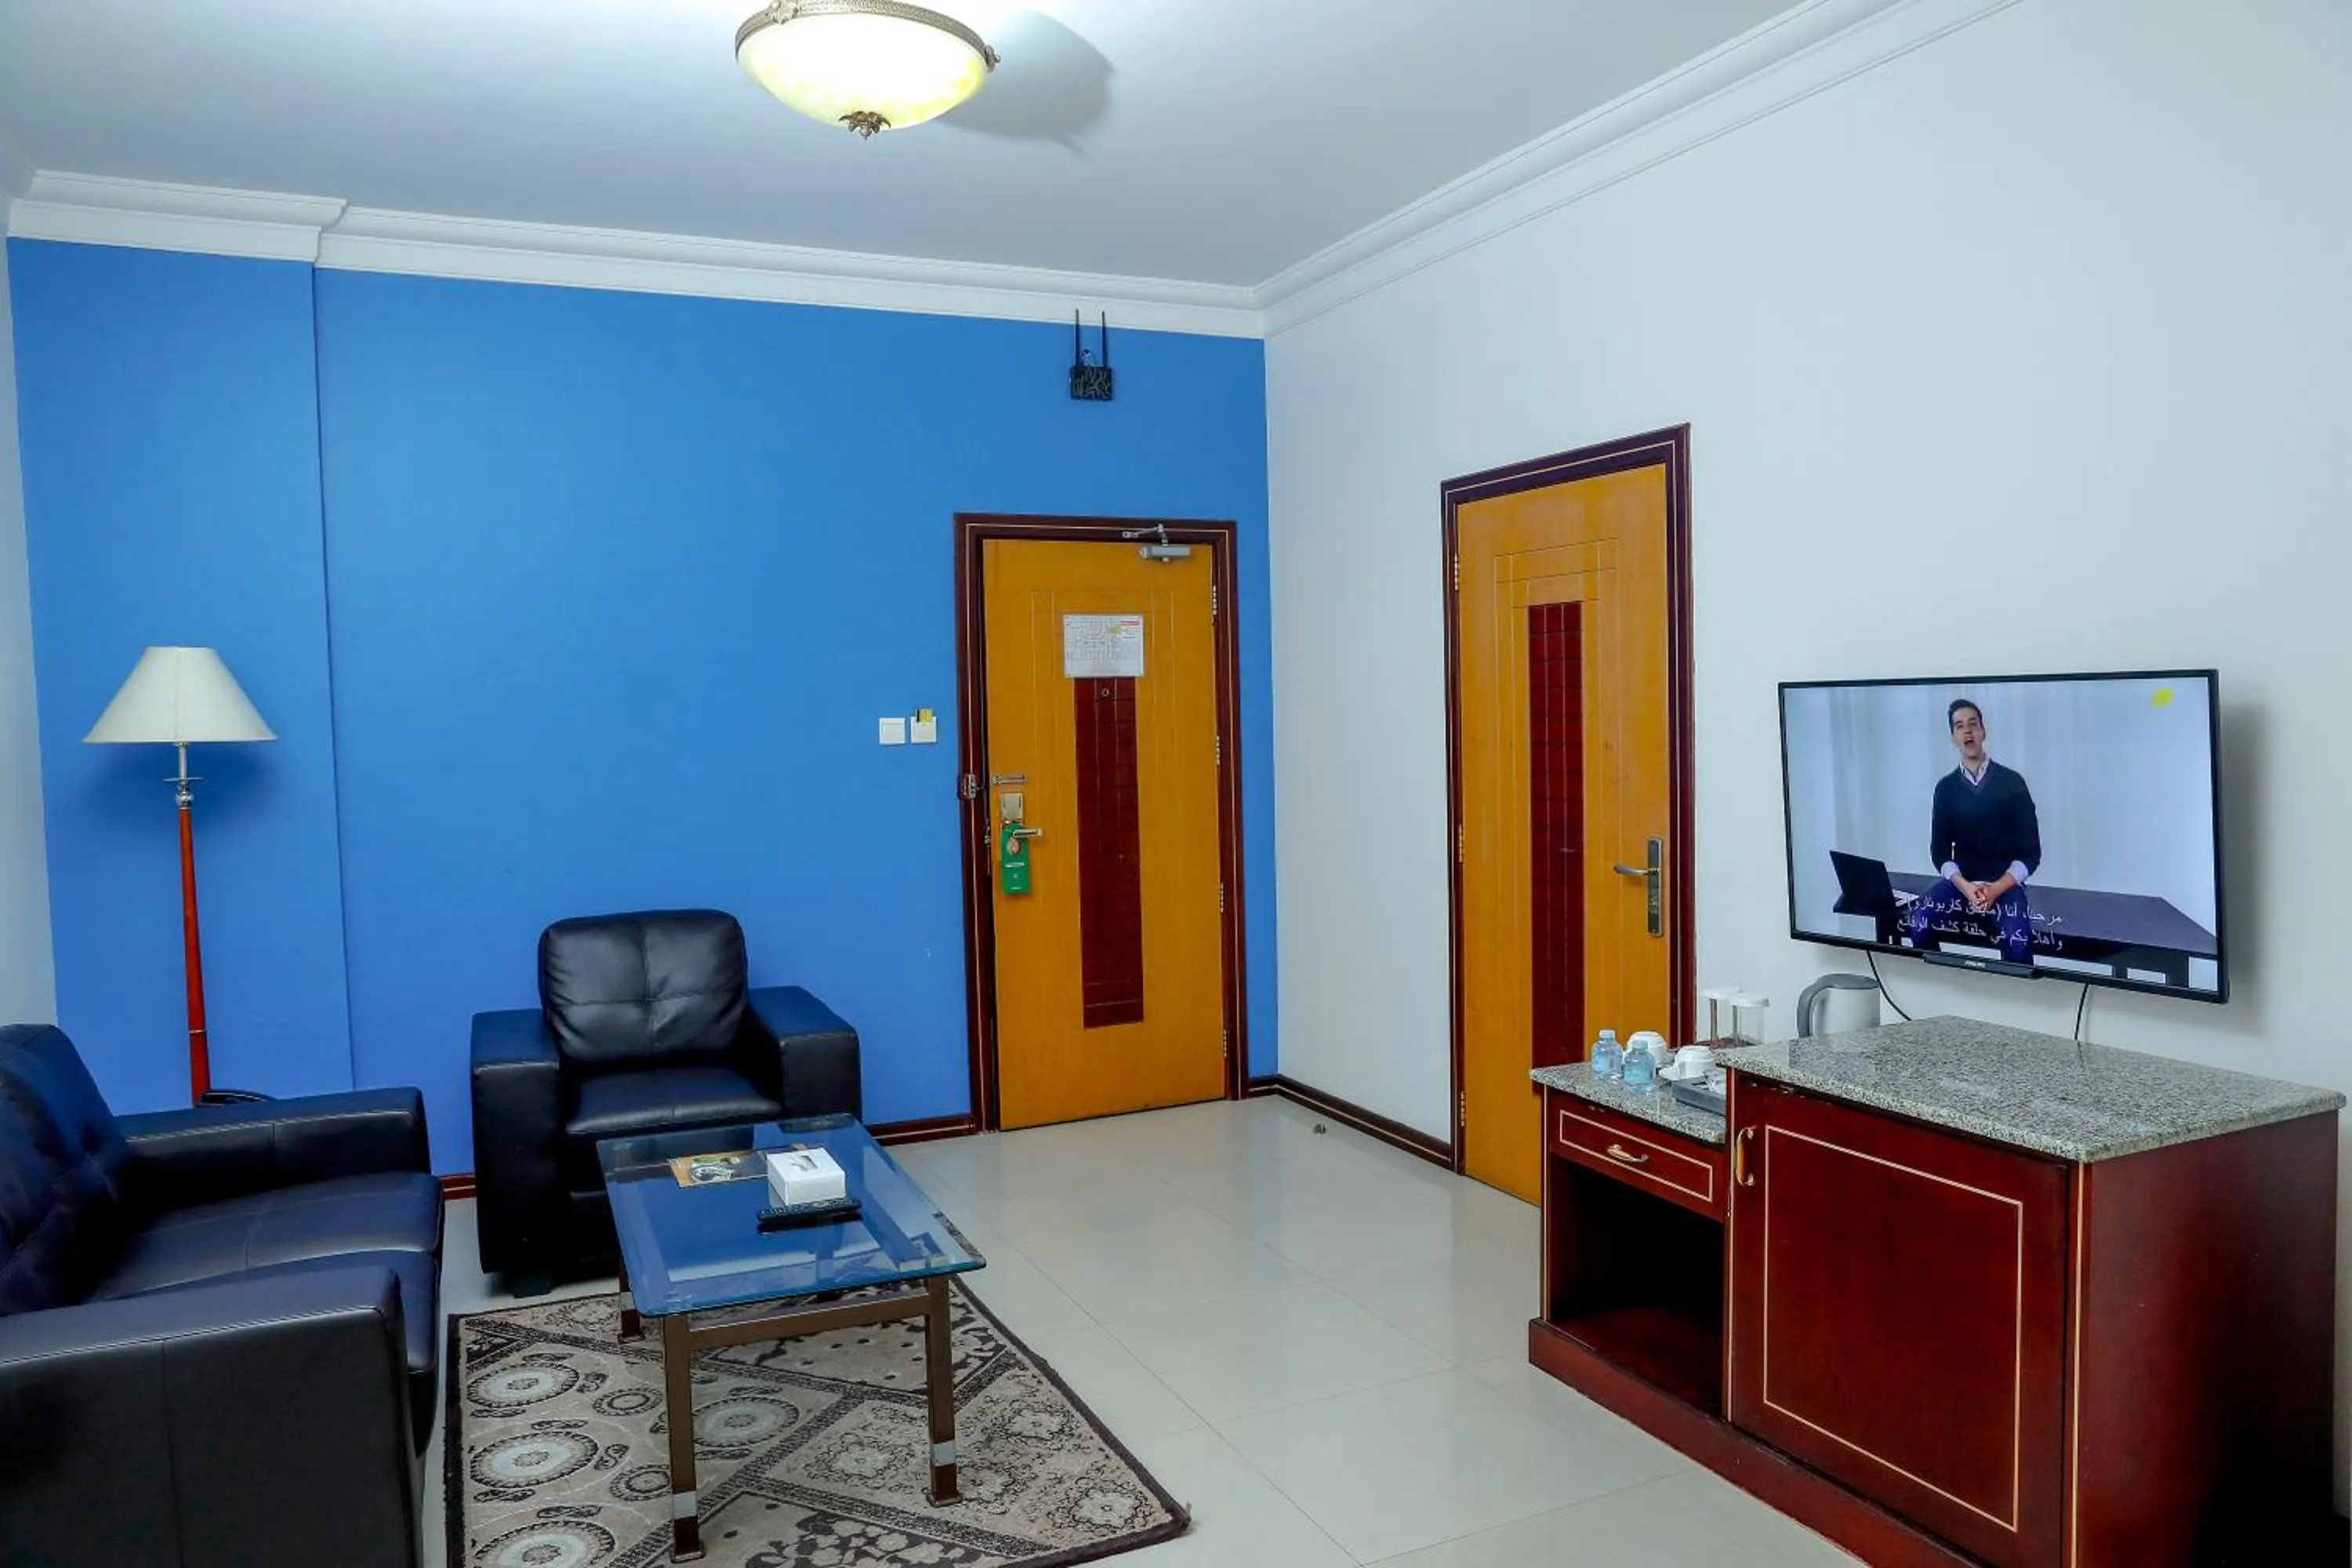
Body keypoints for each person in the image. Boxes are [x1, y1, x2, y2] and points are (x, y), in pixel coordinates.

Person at [1904, 698, 2041, 964]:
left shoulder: (2012, 783)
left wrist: (1995, 890)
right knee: (1919, 922)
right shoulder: (1945, 789)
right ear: (1953, 738)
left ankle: (2016, 1002)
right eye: (1959, 727)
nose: (1967, 731)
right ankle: (1945, 987)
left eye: (1973, 724)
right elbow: (1940, 853)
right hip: (1961, 885)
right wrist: (1966, 888)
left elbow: (2031, 855)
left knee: (2018, 943)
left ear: (1983, 732)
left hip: (2005, 886)